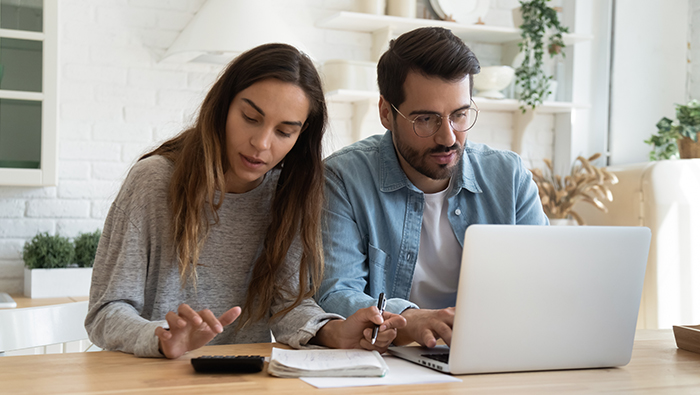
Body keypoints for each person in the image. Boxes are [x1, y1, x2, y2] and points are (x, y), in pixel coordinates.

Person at [85, 43, 405, 359]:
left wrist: (335, 331)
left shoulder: (288, 192)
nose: (261, 143)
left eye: (284, 131)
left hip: (242, 378)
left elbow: (286, 306)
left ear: (301, 135)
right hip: (151, 379)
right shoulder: (153, 182)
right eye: (251, 117)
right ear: (224, 106)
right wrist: (162, 337)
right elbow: (106, 311)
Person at [316, 27, 548, 348]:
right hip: (392, 361)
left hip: (495, 350)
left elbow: (546, 281)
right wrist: (410, 319)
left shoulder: (509, 176)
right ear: (386, 112)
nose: (448, 137)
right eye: (426, 119)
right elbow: (335, 292)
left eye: (460, 115)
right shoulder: (342, 178)